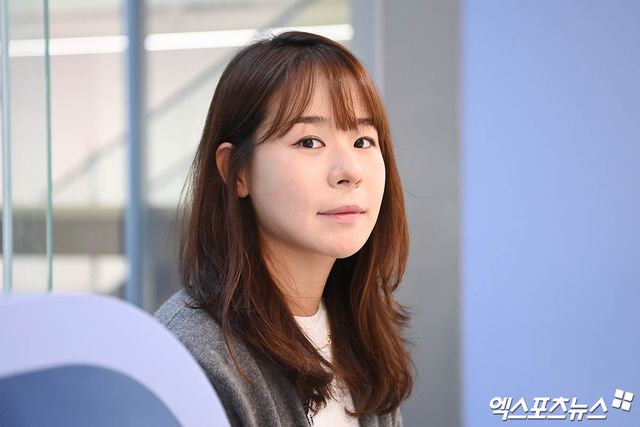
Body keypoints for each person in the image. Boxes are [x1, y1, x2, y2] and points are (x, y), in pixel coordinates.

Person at [155, 31, 414, 427]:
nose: (349, 171)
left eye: (363, 141)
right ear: (237, 171)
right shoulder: (191, 359)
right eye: (309, 142)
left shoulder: (360, 332)